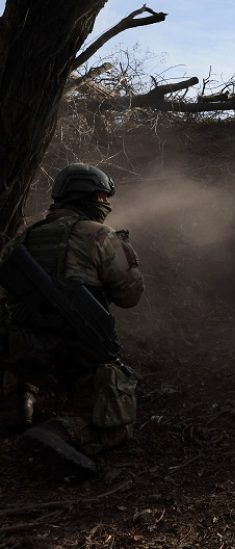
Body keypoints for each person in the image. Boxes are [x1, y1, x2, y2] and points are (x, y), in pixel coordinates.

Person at [0, 163, 144, 476]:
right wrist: (126, 252)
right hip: (74, 359)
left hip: (24, 357)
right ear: (89, 197)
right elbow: (130, 297)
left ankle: (18, 408)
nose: (106, 203)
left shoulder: (23, 240)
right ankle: (62, 433)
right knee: (119, 418)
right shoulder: (100, 236)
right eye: (104, 196)